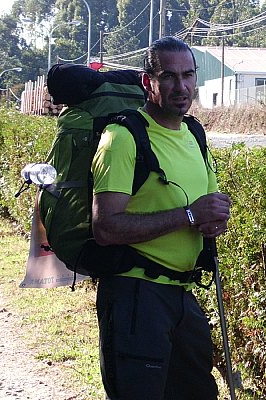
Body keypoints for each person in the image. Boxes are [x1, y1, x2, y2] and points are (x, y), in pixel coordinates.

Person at [91, 36, 232, 399]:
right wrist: (188, 215)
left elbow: (207, 206)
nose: (181, 87)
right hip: (136, 297)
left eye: (188, 75)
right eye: (168, 76)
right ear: (147, 81)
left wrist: (214, 217)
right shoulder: (122, 137)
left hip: (183, 296)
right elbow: (105, 226)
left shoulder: (195, 134)